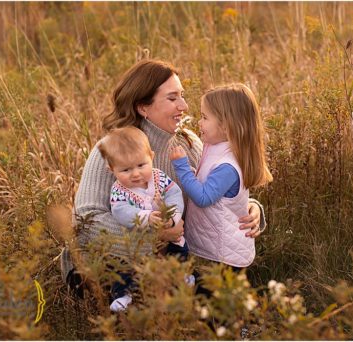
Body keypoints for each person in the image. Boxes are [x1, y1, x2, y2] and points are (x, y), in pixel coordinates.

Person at [62, 59, 267, 305]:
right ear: (143, 108)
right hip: (109, 265)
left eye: (182, 96)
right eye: (172, 99)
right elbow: (85, 222)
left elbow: (215, 190)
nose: (184, 106)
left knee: (211, 303)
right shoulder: (112, 149)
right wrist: (156, 238)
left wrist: (250, 208)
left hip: (170, 260)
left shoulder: (188, 143)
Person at [169, 83, 272, 270]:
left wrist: (182, 167)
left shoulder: (227, 165)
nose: (199, 123)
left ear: (226, 126)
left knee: (214, 297)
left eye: (205, 117)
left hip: (223, 255)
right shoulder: (216, 148)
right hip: (214, 246)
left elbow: (203, 198)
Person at [100, 126, 191, 312]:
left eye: (141, 165)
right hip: (135, 240)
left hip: (167, 228)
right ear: (111, 169)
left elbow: (174, 193)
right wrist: (146, 217)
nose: (135, 174)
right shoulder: (119, 190)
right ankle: (122, 294)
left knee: (179, 248)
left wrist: (173, 216)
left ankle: (182, 275)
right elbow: (120, 211)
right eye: (125, 169)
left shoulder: (159, 178)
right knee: (123, 266)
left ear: (151, 156)